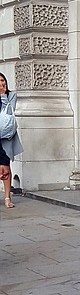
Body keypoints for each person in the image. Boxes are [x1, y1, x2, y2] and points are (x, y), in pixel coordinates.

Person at [0, 72, 22, 208]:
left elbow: (10, 111)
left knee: (5, 167)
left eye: (3, 80)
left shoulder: (11, 95)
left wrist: (3, 96)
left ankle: (7, 197)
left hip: (6, 137)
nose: (2, 83)